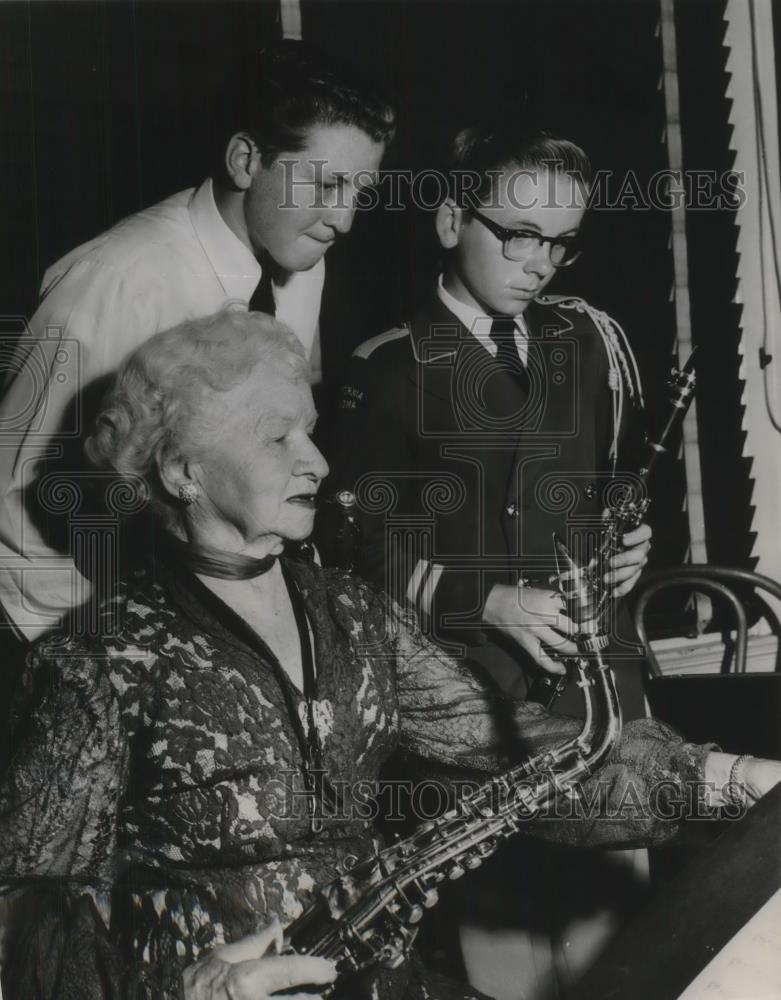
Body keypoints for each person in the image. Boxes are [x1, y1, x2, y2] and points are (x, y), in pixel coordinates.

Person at [1, 309, 777, 1000]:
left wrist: (736, 781)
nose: (318, 462)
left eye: (308, 430)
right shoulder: (95, 660)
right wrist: (190, 989)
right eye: (278, 438)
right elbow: (26, 916)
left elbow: (529, 759)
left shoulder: (354, 614)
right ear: (181, 472)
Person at [317, 124, 659, 998]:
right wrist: (483, 601)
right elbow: (346, 544)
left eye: (559, 243)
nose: (539, 262)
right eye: (516, 234)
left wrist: (631, 548)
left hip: (593, 699)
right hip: (474, 707)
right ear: (446, 221)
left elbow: (603, 487)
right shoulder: (385, 368)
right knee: (505, 962)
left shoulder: (581, 345)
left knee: (618, 953)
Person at [0, 38, 394, 644]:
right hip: (69, 623)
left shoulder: (305, 261)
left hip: (208, 610)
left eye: (358, 194)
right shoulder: (117, 280)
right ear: (245, 160)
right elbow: (15, 487)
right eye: (325, 186)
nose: (344, 220)